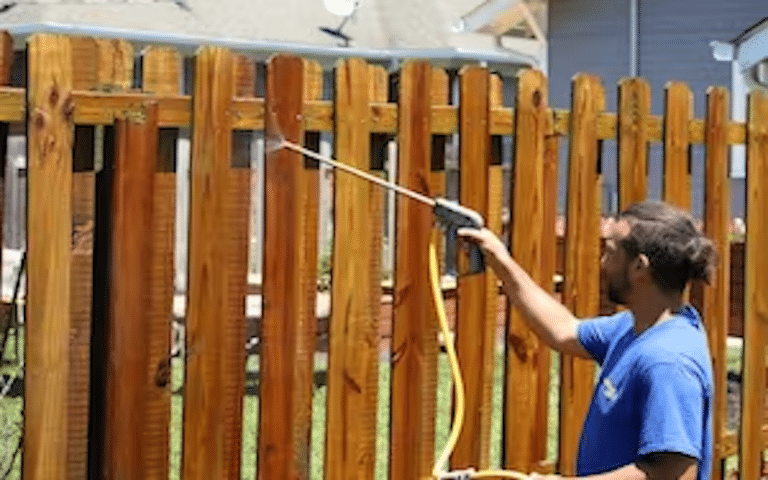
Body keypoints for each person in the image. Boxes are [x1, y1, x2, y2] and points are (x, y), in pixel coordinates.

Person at [458, 200, 715, 480]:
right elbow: (564, 330)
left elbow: (674, 474)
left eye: (610, 252)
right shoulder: (636, 327)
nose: (602, 262)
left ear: (639, 267)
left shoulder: (667, 362)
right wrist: (500, 260)